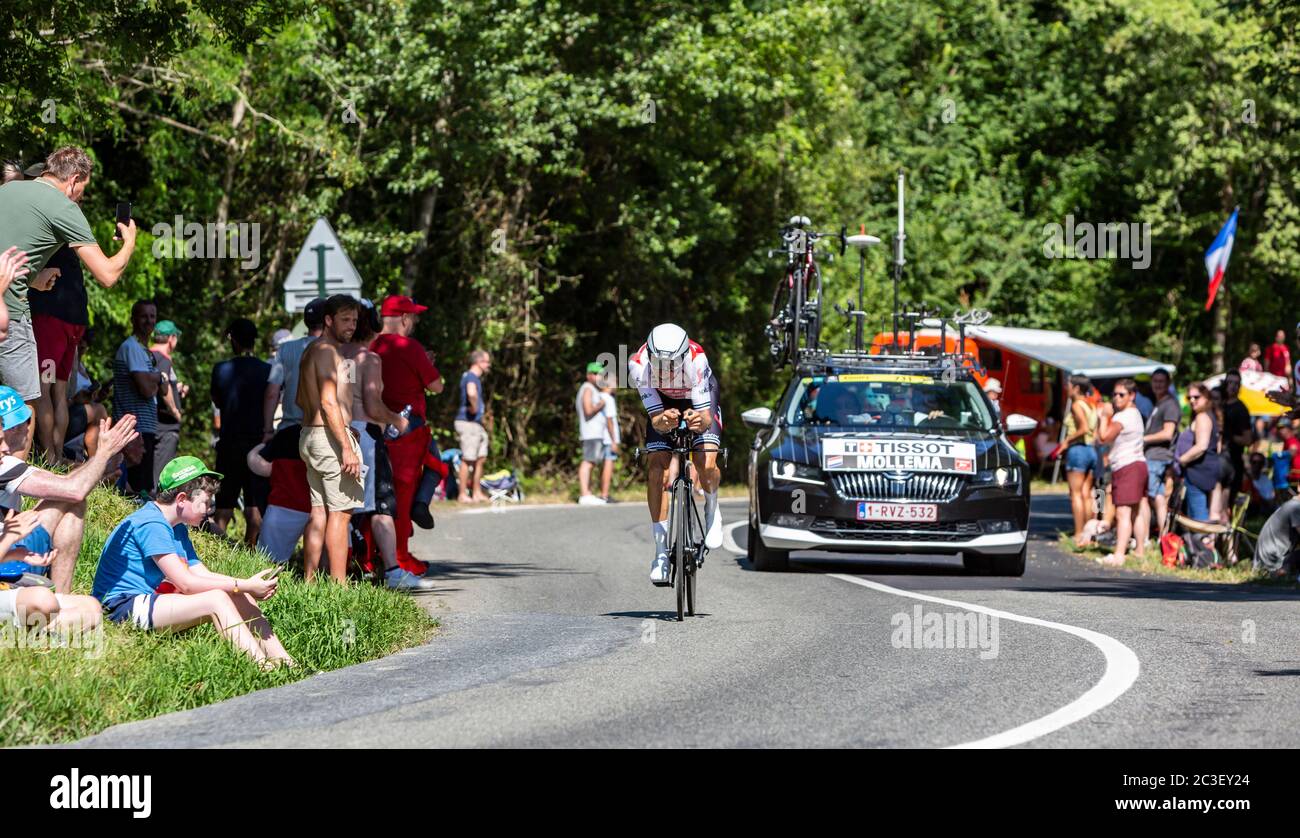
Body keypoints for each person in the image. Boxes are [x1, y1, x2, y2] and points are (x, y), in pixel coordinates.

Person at [92, 456, 293, 669]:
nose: (208, 510)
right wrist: (243, 584)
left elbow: (200, 573)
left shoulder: (176, 526)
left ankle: (287, 664)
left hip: (146, 600)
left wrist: (243, 585)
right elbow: (186, 584)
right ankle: (261, 668)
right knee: (216, 599)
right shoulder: (151, 524)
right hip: (121, 607)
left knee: (238, 595)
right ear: (181, 499)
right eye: (205, 503)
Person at [0, 148, 137, 450]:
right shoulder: (64, 207)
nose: (79, 198)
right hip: (9, 315)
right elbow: (107, 274)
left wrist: (33, 278)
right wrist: (129, 243)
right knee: (21, 411)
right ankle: (14, 493)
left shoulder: (9, 189)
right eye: (82, 191)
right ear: (74, 180)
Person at [0, 385, 138, 592]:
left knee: (71, 501)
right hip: (7, 560)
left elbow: (63, 484)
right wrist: (103, 453)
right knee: (72, 499)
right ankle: (61, 598)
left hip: (11, 551)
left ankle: (61, 600)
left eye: (27, 420)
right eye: (17, 424)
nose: (26, 428)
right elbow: (72, 489)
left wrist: (98, 467)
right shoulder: (4, 465)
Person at [341, 299, 432, 590]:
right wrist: (397, 420)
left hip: (342, 432)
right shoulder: (369, 359)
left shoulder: (341, 356)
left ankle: (343, 570)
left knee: (343, 507)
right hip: (366, 434)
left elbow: (348, 397)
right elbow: (370, 403)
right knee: (381, 506)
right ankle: (393, 571)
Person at [628, 323, 723, 585]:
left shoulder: (697, 359)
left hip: (697, 400)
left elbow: (704, 420)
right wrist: (662, 420)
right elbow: (656, 419)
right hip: (663, 404)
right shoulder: (638, 365)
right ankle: (660, 553)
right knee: (656, 467)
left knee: (706, 461)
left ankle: (712, 510)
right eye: (659, 363)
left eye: (671, 364)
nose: (665, 369)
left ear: (682, 356)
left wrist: (696, 420)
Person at [371, 295, 445, 573]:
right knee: (432, 468)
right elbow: (436, 386)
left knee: (384, 493)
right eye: (413, 317)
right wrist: (426, 364)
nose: (414, 321)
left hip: (376, 426)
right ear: (403, 318)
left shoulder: (370, 346)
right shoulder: (410, 347)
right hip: (408, 425)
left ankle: (383, 552)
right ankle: (420, 506)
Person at [296, 295, 364, 582]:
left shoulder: (314, 350)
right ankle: (339, 589)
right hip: (327, 437)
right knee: (341, 513)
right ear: (328, 320)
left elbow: (302, 399)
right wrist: (345, 446)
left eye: (355, 320)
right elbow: (328, 402)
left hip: (311, 435)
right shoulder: (327, 351)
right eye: (345, 319)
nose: (351, 325)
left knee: (320, 511)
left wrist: (346, 428)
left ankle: (309, 582)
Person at [209, 318, 270, 547]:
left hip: (229, 444)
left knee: (223, 507)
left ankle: (218, 550)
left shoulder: (221, 370)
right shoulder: (267, 370)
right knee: (255, 510)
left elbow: (216, 399)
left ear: (232, 339)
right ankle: (250, 551)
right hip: (257, 446)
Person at [111, 300, 163, 495]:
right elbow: (147, 390)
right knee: (138, 489)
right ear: (133, 319)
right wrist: (156, 377)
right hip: (133, 427)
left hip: (145, 425)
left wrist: (153, 379)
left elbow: (160, 390)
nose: (149, 321)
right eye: (144, 316)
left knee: (144, 486)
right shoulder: (131, 347)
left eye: (152, 316)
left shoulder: (145, 350)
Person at [1095, 379, 1148, 565]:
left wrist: (1103, 417)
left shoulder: (1122, 416)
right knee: (1137, 510)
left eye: (1121, 394)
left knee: (1122, 513)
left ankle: (1119, 555)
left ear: (1132, 395)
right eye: (1115, 394)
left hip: (1127, 466)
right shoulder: (1136, 414)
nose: (1116, 398)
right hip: (1139, 464)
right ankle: (1140, 550)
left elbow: (1103, 437)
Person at [246, 424, 310, 565]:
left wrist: (263, 444)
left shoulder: (279, 465)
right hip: (313, 511)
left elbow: (253, 461)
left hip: (280, 510)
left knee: (268, 560)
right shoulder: (315, 466)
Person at [262, 298, 325, 439]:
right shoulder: (339, 350)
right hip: (323, 432)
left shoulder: (285, 349)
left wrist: (268, 431)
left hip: (289, 431)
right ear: (328, 320)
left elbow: (272, 392)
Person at [1142, 368, 1180, 539]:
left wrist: (1142, 438)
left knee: (1147, 498)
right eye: (1155, 381)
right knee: (1157, 497)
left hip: (1158, 457)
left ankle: (1146, 537)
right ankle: (1163, 536)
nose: (1157, 385)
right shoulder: (1159, 403)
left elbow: (1168, 433)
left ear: (1168, 384)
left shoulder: (1170, 405)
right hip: (1154, 456)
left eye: (1161, 381)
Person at [149, 320, 186, 488]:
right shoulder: (163, 358)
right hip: (165, 428)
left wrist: (176, 388)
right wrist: (175, 411)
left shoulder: (148, 355)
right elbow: (163, 386)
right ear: (171, 338)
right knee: (160, 478)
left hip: (154, 424)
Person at [1177, 382, 1221, 523]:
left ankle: (1203, 543)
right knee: (1204, 517)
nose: (1192, 400)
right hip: (1205, 471)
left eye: (1196, 397)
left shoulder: (1202, 416)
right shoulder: (1209, 415)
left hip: (1199, 473)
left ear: (1206, 397)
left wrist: (1182, 460)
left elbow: (1202, 446)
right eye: (1188, 398)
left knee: (1199, 521)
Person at [1062, 375, 1098, 542]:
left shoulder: (1076, 405)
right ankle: (1088, 534)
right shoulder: (1090, 404)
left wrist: (1067, 441)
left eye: (1068, 385)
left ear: (1076, 388)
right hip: (1091, 450)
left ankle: (1078, 534)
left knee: (1075, 494)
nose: (1066, 388)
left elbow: (1083, 428)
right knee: (1087, 494)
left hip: (1078, 450)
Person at [455, 349, 492, 504]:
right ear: (479, 362)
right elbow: (471, 393)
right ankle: (462, 494)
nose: (489, 365)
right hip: (468, 423)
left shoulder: (474, 377)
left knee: (480, 458)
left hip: (476, 424)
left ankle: (476, 492)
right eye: (487, 361)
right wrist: (475, 407)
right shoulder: (471, 377)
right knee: (468, 458)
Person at [576, 361, 607, 505]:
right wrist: (600, 404)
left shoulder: (592, 389)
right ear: (588, 375)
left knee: (591, 462)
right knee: (588, 462)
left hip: (595, 433)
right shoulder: (588, 388)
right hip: (591, 433)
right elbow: (588, 409)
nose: (598, 377)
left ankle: (588, 492)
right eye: (595, 374)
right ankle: (585, 494)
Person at [1221, 369, 1253, 510]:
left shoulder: (1241, 409)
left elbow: (1247, 440)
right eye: (1230, 382)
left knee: (1226, 505)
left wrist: (1228, 436)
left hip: (1233, 461)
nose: (1233, 386)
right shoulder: (1219, 403)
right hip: (1216, 459)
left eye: (1236, 383)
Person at [599, 376, 621, 503]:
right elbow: (609, 420)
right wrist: (614, 440)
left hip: (601, 437)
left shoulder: (599, 396)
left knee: (603, 466)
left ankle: (602, 493)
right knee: (608, 465)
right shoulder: (608, 399)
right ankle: (605, 494)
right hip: (608, 438)